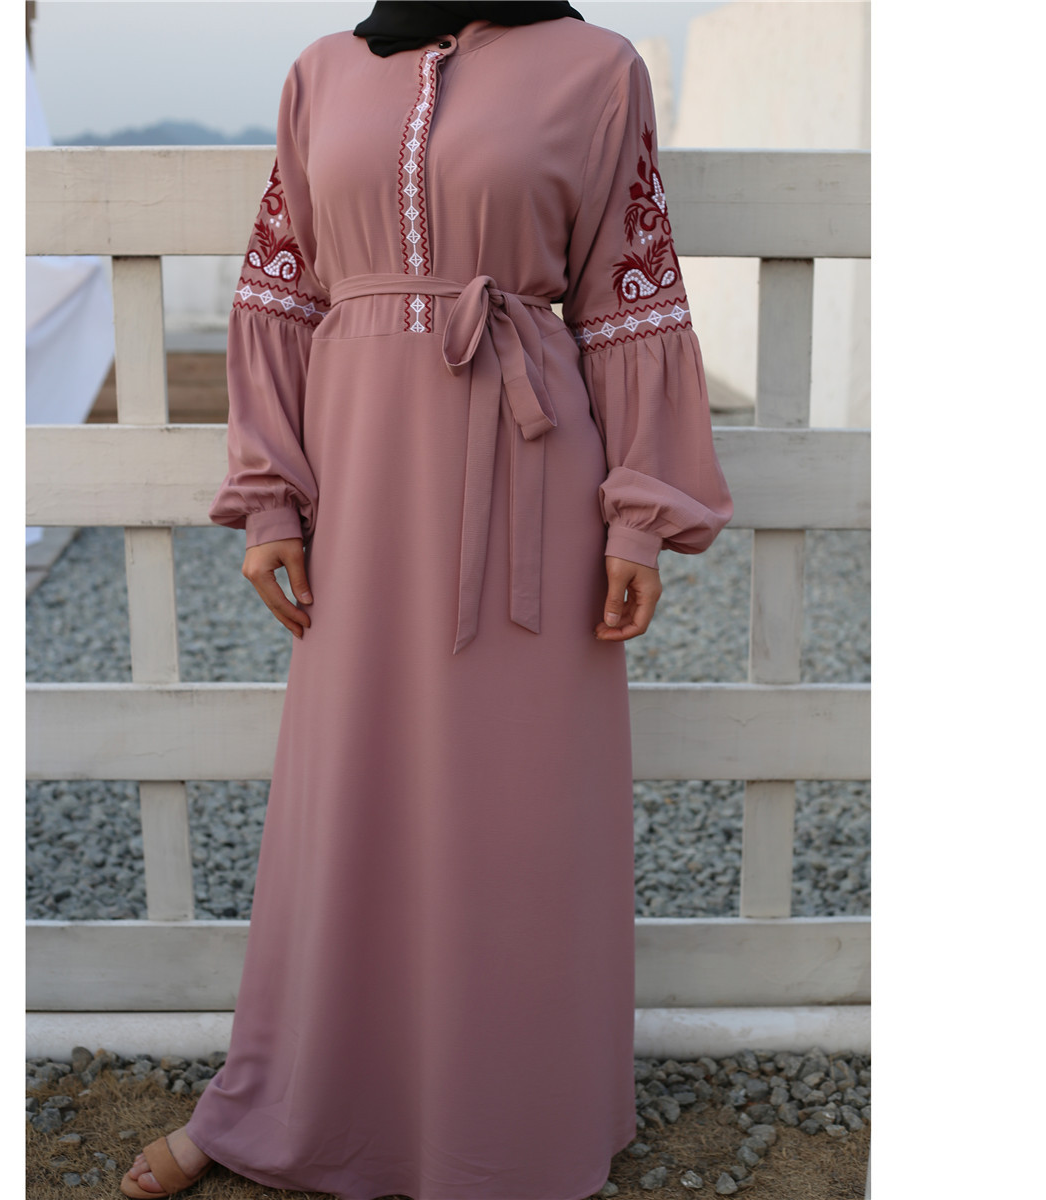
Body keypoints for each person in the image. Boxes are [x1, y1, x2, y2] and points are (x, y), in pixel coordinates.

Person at [122, 2, 732, 1196]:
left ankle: (515, 1126)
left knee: (522, 809)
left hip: (529, 490)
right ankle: (293, 1102)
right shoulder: (323, 71)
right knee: (350, 796)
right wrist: (270, 497)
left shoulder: (599, 70)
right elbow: (279, 294)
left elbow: (631, 296)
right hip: (358, 489)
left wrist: (638, 514)